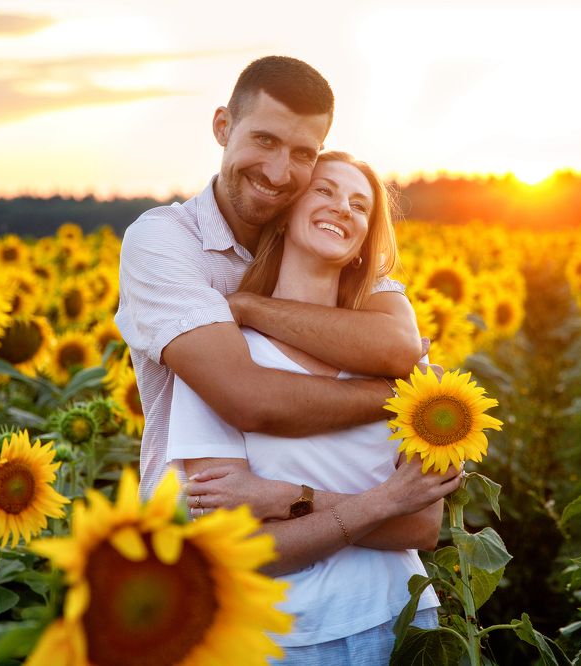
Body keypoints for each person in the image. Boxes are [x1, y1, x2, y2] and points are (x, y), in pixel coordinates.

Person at [168, 152, 456, 663]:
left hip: (399, 622)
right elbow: (237, 549)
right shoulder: (221, 356)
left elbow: (421, 527)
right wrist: (384, 501)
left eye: (360, 205)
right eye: (324, 191)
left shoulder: (399, 358)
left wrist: (284, 497)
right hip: (273, 640)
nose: (342, 208)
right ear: (284, 212)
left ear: (366, 242)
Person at [115, 55, 430, 504]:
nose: (279, 172)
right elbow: (247, 399)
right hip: (188, 535)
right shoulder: (165, 241)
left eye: (303, 154)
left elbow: (397, 344)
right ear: (223, 127)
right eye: (264, 139)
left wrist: (249, 307)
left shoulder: (319, 239)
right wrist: (403, 395)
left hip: (325, 533)